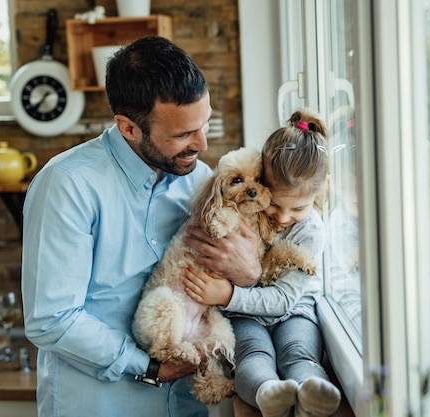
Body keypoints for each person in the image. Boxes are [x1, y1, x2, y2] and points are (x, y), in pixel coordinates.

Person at [21, 36, 262, 417]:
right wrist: (149, 366)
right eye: (182, 135)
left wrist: (248, 274)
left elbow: (230, 272)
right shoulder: (67, 185)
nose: (200, 144)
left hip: (185, 404)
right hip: (100, 405)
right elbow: (51, 320)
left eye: (205, 125)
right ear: (128, 127)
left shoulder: (199, 181)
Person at [181, 109, 341, 417]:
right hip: (244, 316)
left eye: (297, 208)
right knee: (252, 355)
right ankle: (269, 393)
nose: (282, 217)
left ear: (320, 192)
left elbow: (283, 300)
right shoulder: (246, 210)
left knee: (300, 355)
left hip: (294, 311)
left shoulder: (311, 231)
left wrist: (227, 295)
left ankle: (312, 394)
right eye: (275, 204)